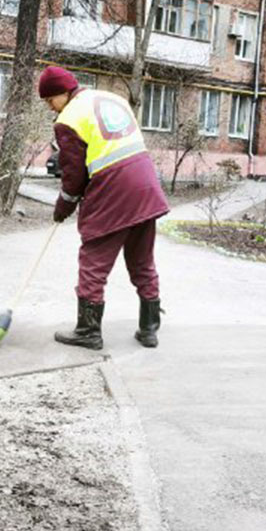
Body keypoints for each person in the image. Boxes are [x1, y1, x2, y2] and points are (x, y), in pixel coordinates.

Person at [39, 66, 170, 350]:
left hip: (115, 189)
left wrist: (64, 205)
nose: (50, 107)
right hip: (146, 185)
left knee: (93, 262)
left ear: (63, 92)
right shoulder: (112, 98)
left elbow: (74, 175)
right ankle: (149, 329)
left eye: (50, 99)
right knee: (142, 259)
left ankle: (88, 331)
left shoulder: (68, 118)